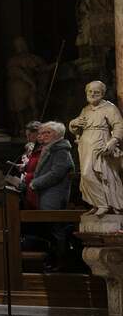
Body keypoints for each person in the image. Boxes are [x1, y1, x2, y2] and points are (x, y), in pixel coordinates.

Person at [69, 80, 123, 215]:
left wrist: (113, 141)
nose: (92, 94)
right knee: (85, 175)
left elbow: (119, 125)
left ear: (102, 94)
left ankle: (104, 204)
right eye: (90, 92)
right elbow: (77, 128)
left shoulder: (109, 108)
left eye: (96, 92)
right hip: (85, 145)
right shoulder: (85, 109)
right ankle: (95, 203)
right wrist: (73, 123)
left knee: (98, 173)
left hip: (100, 142)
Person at [29, 121, 75, 270]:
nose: (42, 136)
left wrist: (36, 183)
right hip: (46, 194)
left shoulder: (61, 150)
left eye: (47, 132)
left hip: (54, 195)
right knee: (50, 230)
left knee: (56, 229)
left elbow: (57, 173)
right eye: (41, 133)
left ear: (57, 134)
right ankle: (53, 260)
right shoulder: (50, 148)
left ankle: (61, 263)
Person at [17, 121, 43, 209]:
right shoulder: (35, 148)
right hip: (30, 188)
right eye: (26, 136)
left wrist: (27, 176)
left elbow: (44, 171)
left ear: (37, 133)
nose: (27, 139)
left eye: (29, 135)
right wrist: (25, 167)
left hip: (38, 190)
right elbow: (34, 166)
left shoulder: (44, 149)